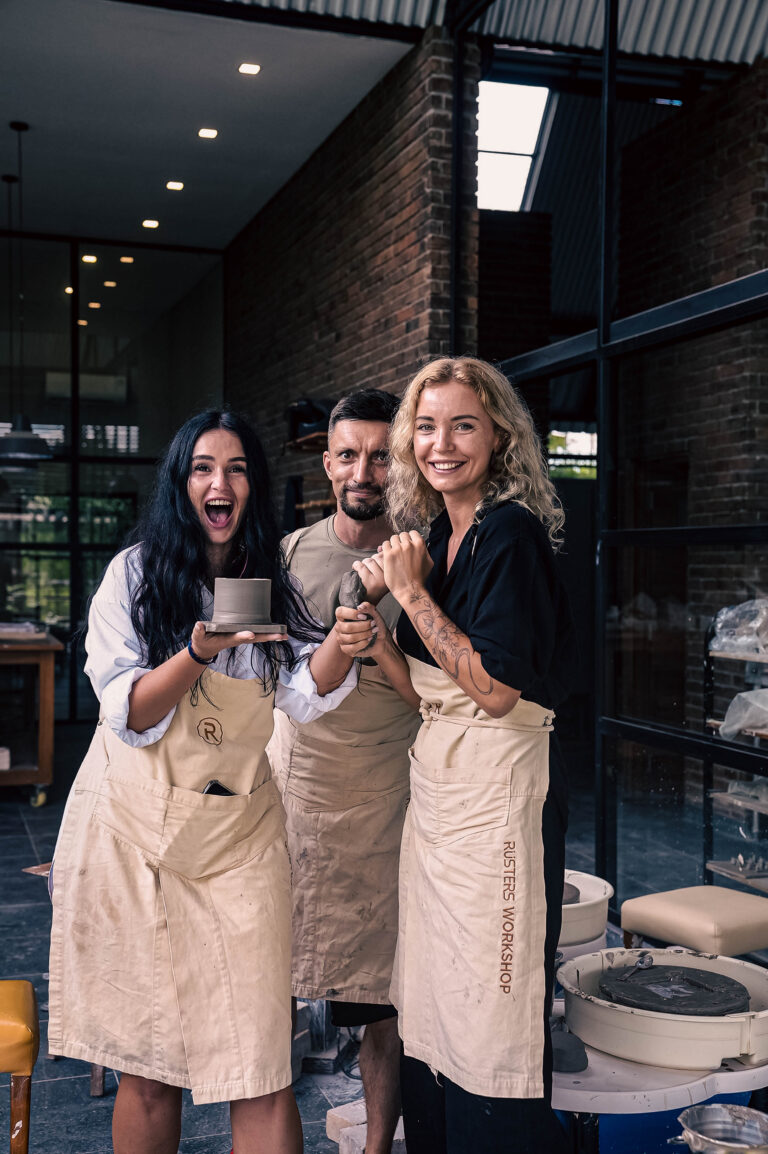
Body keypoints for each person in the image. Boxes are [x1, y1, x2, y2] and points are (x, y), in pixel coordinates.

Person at [47, 410, 358, 1154]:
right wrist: (197, 650)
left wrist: (344, 646)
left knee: (259, 1064)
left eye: (239, 468)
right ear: (181, 484)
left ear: (252, 488)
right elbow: (125, 710)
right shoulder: (134, 577)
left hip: (239, 841)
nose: (222, 483)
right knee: (148, 1065)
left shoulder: (268, 584)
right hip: (135, 834)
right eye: (204, 468)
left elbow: (304, 693)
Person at [335, 357, 578, 1153]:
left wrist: (409, 595)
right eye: (428, 426)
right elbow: (429, 694)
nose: (442, 444)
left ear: (499, 434)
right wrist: (378, 645)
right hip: (439, 795)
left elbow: (498, 692)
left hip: (499, 799)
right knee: (435, 997)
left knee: (493, 1005)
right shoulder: (440, 534)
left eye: (463, 424)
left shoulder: (509, 533)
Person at [268, 388, 420, 1154]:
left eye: (380, 454)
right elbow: (278, 678)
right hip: (298, 795)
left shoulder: (426, 554)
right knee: (272, 985)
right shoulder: (291, 554)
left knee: (380, 1004)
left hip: (386, 803)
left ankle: (375, 1148)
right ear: (327, 463)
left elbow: (440, 693)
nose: (364, 470)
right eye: (349, 454)